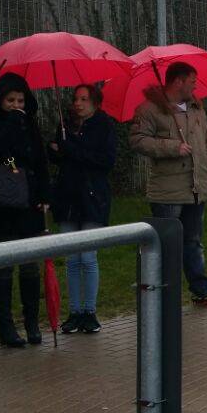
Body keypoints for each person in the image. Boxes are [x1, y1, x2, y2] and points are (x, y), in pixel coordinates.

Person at [130, 61, 207, 305]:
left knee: (193, 242)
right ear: (178, 81)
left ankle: (202, 290)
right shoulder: (150, 109)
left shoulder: (196, 108)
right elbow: (137, 140)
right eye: (192, 81)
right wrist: (172, 147)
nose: (195, 86)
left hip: (196, 188)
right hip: (167, 191)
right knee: (166, 245)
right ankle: (163, 294)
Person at [0, 74, 49, 347]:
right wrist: (12, 125)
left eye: (20, 100)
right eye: (10, 100)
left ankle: (31, 321)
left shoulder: (30, 124)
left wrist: (44, 194)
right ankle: (5, 325)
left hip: (27, 202)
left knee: (30, 265)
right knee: (3, 265)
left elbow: (40, 161)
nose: (16, 105)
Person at [49, 83, 116, 333]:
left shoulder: (104, 126)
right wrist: (55, 150)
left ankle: (90, 310)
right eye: (76, 99)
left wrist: (70, 150)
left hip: (92, 197)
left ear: (95, 102)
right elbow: (60, 157)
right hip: (67, 196)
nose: (78, 103)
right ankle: (74, 311)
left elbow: (105, 160)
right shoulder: (65, 126)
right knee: (71, 258)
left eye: (84, 99)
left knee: (87, 256)